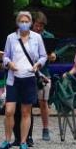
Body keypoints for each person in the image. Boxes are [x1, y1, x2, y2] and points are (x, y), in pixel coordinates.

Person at [0, 11, 46, 149]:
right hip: (13, 78)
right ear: (17, 22)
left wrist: (38, 64)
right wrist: (9, 63)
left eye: (27, 21)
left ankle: (23, 142)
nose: (24, 24)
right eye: (21, 21)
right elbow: (5, 56)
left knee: (26, 112)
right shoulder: (11, 38)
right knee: (9, 111)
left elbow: (43, 56)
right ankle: (7, 140)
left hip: (29, 77)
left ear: (31, 23)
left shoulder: (36, 38)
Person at [30, 11, 56, 142]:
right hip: (28, 73)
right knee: (26, 102)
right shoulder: (26, 36)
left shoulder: (49, 36)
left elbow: (53, 54)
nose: (39, 28)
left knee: (44, 102)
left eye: (41, 26)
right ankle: (27, 129)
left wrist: (52, 56)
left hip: (44, 74)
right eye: (36, 25)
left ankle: (46, 129)